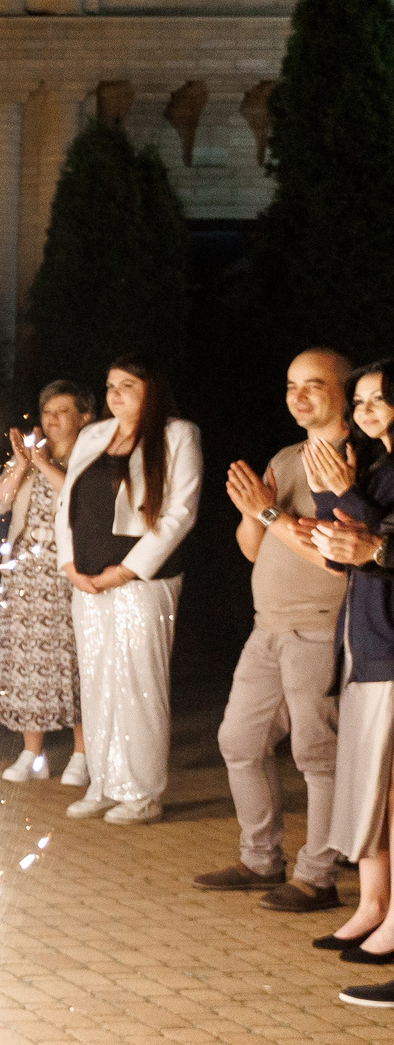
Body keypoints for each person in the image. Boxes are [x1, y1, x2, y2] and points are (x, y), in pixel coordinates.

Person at [189, 351, 352, 906]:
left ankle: (319, 875)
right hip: (268, 628)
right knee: (238, 739)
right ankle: (261, 860)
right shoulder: (286, 456)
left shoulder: (354, 460)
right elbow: (256, 548)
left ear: (346, 390)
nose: (298, 396)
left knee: (316, 752)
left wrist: (268, 514)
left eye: (314, 384)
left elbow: (335, 553)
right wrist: (251, 512)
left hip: (320, 627)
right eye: (290, 385)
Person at [59, 358, 202, 824]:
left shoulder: (177, 434)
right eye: (110, 386)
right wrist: (69, 564)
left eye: (127, 386)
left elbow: (179, 512)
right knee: (98, 680)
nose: (115, 394)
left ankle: (141, 792)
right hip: (88, 579)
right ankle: (104, 781)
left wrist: (126, 571)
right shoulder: (94, 435)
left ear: (151, 389)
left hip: (142, 580)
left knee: (138, 682)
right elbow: (69, 503)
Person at [304, 365, 394, 985]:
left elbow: (376, 541)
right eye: (360, 400)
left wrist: (350, 503)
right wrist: (328, 504)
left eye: (378, 399)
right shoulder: (380, 467)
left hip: (389, 643)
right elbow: (353, 542)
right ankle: (374, 906)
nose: (366, 409)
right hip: (365, 640)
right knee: (374, 792)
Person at [0, 380, 91, 786]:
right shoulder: (28, 459)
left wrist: (41, 461)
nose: (53, 419)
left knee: (72, 663)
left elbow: (80, 499)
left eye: (63, 412)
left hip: (68, 573)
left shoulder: (89, 457)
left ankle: (82, 754)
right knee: (27, 664)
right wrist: (22, 465)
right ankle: (32, 752)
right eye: (47, 413)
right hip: (25, 573)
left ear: (84, 417)